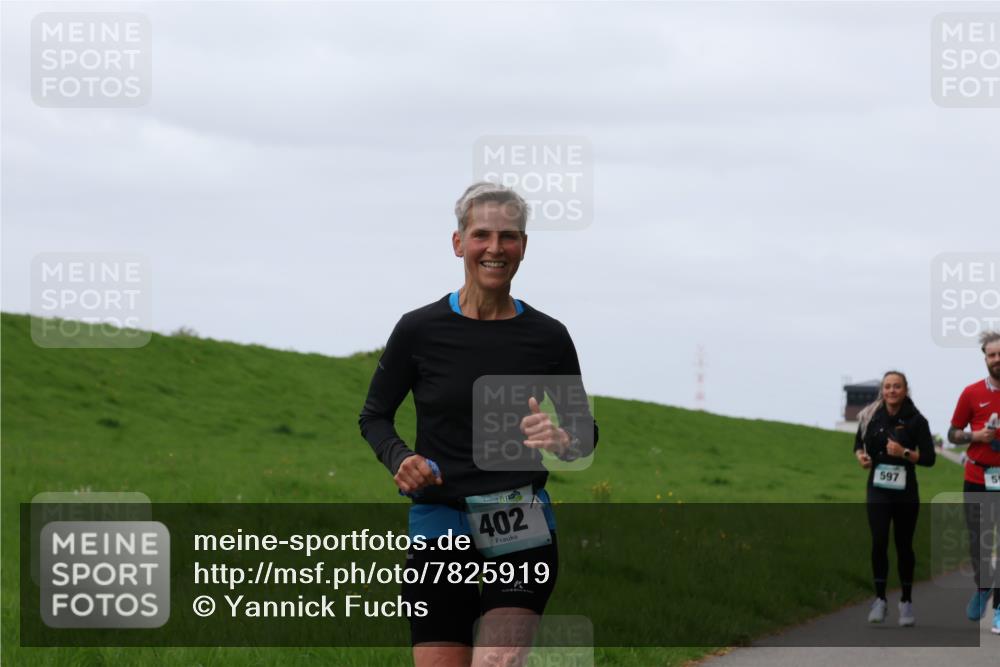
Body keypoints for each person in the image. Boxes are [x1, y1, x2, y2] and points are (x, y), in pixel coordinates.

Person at [358, 182, 598, 667]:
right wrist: (400, 458)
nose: (495, 248)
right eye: (481, 235)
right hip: (438, 520)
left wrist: (561, 439)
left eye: (508, 236)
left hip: (517, 520)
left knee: (497, 662)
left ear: (523, 247)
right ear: (458, 242)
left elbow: (584, 434)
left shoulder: (548, 337)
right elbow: (374, 416)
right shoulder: (419, 330)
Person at [854, 370, 936, 626]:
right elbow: (858, 445)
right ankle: (879, 599)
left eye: (897, 386)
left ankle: (906, 601)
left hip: (905, 491)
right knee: (879, 540)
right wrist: (861, 458)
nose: (891, 391)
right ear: (882, 390)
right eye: (887, 386)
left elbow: (929, 458)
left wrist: (904, 453)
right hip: (878, 488)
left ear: (905, 390)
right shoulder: (870, 416)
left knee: (904, 545)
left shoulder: (917, 420)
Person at [947, 330, 1000, 634]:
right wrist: (975, 435)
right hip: (978, 477)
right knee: (979, 541)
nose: (997, 359)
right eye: (992, 355)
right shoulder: (971, 393)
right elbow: (953, 433)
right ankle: (983, 586)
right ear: (985, 359)